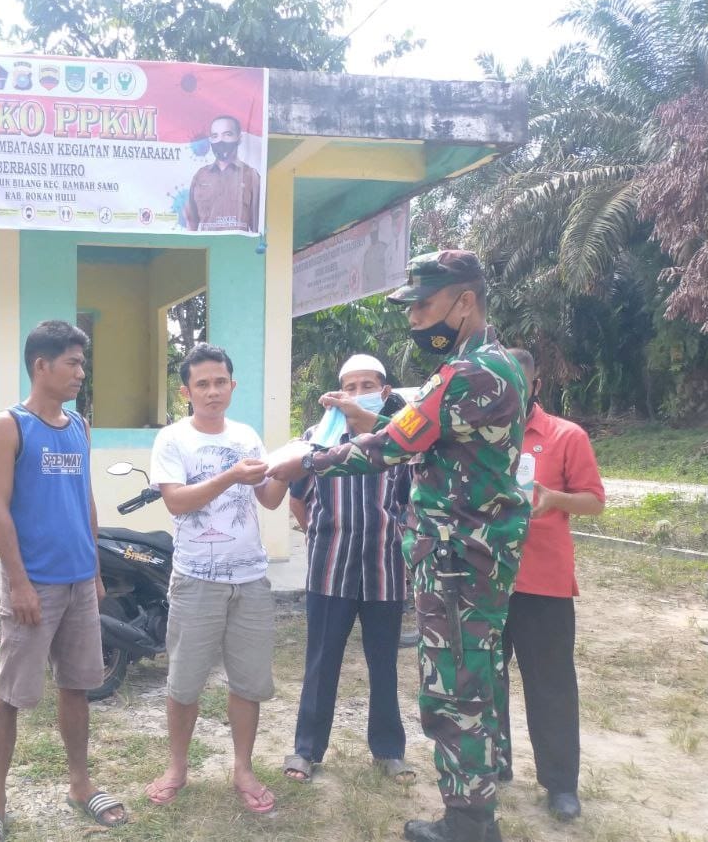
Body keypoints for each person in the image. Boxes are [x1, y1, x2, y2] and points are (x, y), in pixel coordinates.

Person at [270, 250, 531, 842]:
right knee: (480, 678)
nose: (415, 319)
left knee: (455, 689)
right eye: (410, 308)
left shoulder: (466, 374)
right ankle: (477, 806)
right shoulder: (504, 364)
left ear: (464, 301)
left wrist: (305, 461)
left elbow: (390, 446)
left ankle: (468, 823)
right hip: (480, 552)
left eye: (425, 305)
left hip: (456, 558)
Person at [0, 320, 127, 842]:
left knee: (78, 686)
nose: (82, 372)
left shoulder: (79, 426)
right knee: (11, 694)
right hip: (33, 583)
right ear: (42, 365)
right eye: (73, 363)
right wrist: (18, 583)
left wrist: (97, 570)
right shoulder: (7, 426)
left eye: (83, 362)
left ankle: (80, 785)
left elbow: (85, 500)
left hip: (81, 581)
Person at [142, 343, 287, 813]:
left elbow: (267, 499)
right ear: (186, 391)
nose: (211, 392)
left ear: (232, 385)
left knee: (248, 681)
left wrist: (295, 466)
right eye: (201, 384)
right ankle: (177, 767)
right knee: (184, 682)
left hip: (250, 578)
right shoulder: (172, 439)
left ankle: (243, 767)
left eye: (219, 382)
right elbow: (176, 502)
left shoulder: (247, 436)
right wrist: (229, 476)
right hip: (196, 578)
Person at [283, 354, 414, 786]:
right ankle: (306, 750)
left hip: (385, 567)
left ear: (386, 391)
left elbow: (411, 503)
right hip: (330, 568)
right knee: (321, 660)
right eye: (350, 386)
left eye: (368, 385)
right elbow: (298, 497)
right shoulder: (316, 438)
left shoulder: (401, 439)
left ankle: (389, 750)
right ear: (338, 394)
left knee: (384, 662)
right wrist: (321, 533)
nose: (359, 394)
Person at [494, 348, 605, 822]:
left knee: (551, 686)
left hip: (544, 583)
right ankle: (493, 765)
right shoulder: (479, 438)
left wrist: (554, 498)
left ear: (535, 386)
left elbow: (594, 502)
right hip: (486, 579)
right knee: (483, 681)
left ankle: (560, 784)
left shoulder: (566, 436)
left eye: (519, 386)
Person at [185, 115, 261, 233]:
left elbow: (258, 225)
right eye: (215, 136)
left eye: (227, 134)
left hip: (238, 248)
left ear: (239, 138)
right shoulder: (200, 176)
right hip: (207, 247)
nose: (220, 141)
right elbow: (191, 222)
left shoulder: (251, 176)